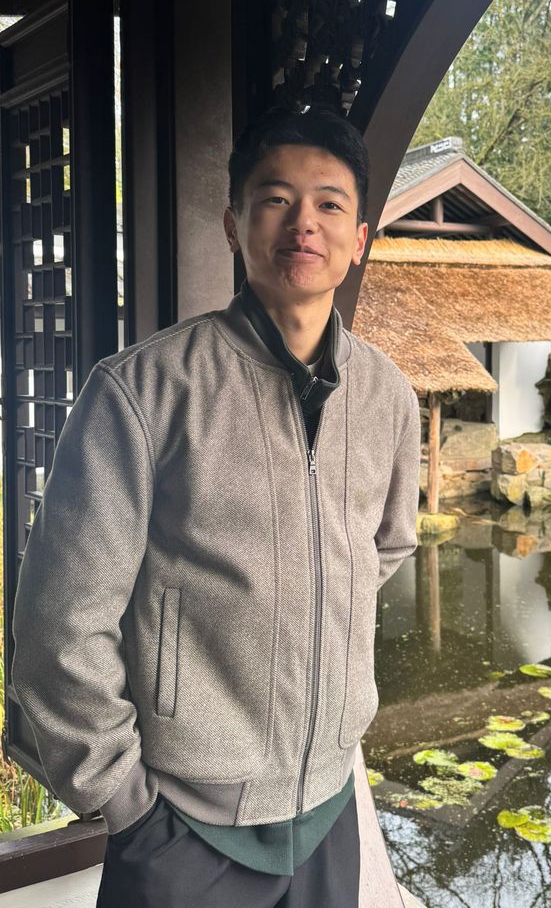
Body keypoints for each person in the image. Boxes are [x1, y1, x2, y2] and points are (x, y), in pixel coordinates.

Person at [11, 106, 421, 907]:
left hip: (327, 807)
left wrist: (307, 619)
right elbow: (61, 621)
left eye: (329, 204)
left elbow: (388, 545)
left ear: (359, 238)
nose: (303, 224)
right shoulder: (145, 391)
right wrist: (125, 799)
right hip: (182, 828)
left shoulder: (387, 395)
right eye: (276, 199)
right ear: (234, 225)